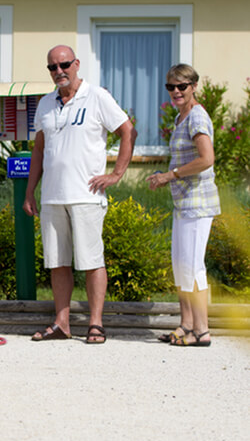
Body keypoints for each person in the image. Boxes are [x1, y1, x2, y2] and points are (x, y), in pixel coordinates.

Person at [23, 45, 137, 344]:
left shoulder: (97, 96)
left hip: (87, 195)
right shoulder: (46, 103)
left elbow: (128, 131)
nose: (58, 71)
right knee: (57, 262)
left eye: (64, 65)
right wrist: (30, 191)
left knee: (91, 261)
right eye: (52, 67)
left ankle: (95, 323)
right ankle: (62, 323)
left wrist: (116, 174)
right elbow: (39, 149)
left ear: (76, 64)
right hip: (51, 196)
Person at [147, 64, 220, 347]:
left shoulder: (197, 117)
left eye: (182, 86)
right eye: (171, 87)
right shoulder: (182, 117)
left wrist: (170, 175)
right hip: (183, 203)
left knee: (192, 266)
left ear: (194, 87)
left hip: (198, 202)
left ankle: (201, 330)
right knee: (181, 266)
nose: (176, 91)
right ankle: (186, 324)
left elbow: (206, 158)